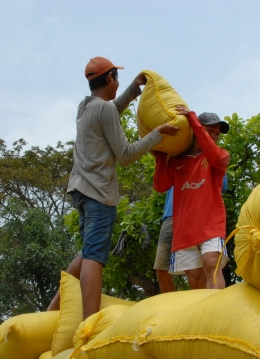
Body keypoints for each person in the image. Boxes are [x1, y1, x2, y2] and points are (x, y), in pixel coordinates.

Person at [47, 57, 179, 319]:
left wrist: (132, 89)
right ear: (109, 78)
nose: (117, 82)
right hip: (99, 194)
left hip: (80, 190)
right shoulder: (103, 110)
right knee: (95, 256)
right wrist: (157, 134)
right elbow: (127, 155)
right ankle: (89, 323)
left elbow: (110, 111)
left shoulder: (85, 109)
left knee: (87, 251)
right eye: (116, 77)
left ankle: (51, 309)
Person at [152, 106, 230, 289]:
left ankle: (220, 313)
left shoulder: (219, 157)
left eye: (217, 133)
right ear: (196, 131)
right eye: (210, 131)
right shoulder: (178, 161)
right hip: (185, 230)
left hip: (211, 225)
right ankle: (204, 316)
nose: (215, 136)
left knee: (212, 264)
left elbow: (215, 154)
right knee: (194, 278)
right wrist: (161, 155)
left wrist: (192, 118)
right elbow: (160, 185)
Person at [153, 174, 228, 293]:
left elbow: (222, 185)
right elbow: (160, 183)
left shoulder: (210, 157)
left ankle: (209, 308)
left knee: (206, 267)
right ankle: (172, 310)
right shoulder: (174, 158)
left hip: (200, 211)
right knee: (162, 269)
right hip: (171, 215)